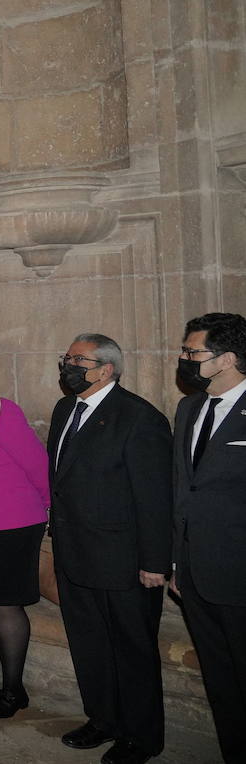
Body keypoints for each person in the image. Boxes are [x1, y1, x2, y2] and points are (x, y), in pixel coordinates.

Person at [48, 333, 171, 764]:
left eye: (76, 359)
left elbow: (155, 498)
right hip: (75, 554)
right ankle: (103, 719)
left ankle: (141, 736)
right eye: (65, 357)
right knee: (90, 645)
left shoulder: (139, 418)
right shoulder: (66, 409)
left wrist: (156, 562)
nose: (67, 365)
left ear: (105, 370)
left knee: (132, 650)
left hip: (124, 561)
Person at [169, 312, 246, 764]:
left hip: (238, 571)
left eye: (193, 353)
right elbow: (183, 489)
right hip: (195, 573)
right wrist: (176, 562)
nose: (183, 360)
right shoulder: (190, 407)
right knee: (220, 679)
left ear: (228, 359)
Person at [0, 392, 49, 719]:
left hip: (13, 520)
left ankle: (14, 688)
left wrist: (48, 507)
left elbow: (36, 462)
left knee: (4, 604)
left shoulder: (0, 410)